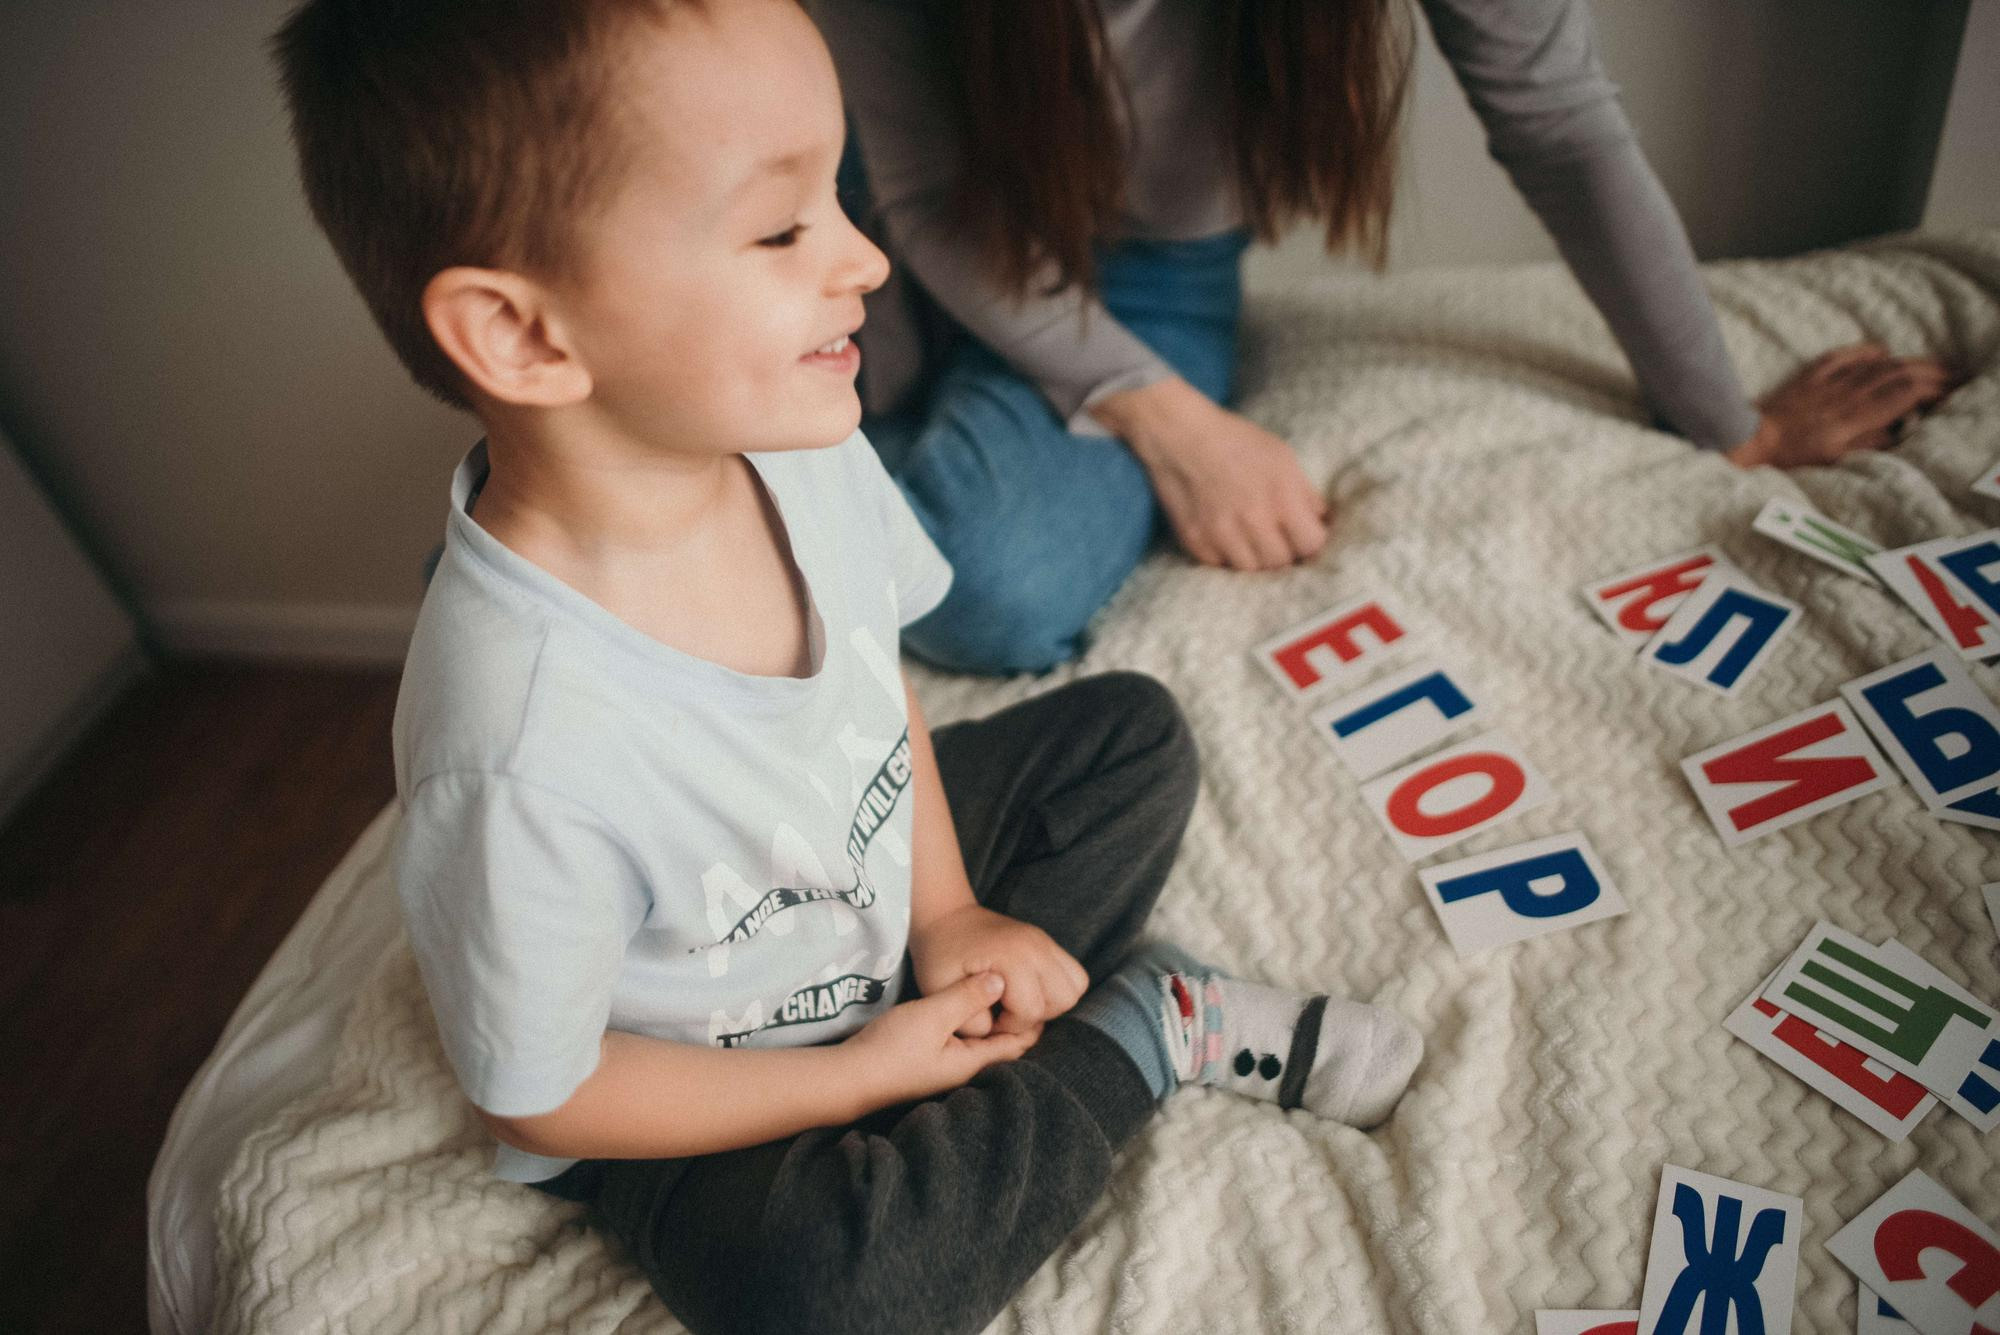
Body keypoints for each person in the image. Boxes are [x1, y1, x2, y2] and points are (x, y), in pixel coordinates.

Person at [271, 3, 1424, 1333]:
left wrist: (948, 916)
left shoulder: (808, 446)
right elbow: (542, 1088)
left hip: (863, 900)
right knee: (831, 1292)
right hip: (695, 1083)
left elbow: (878, 707)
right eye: (783, 229)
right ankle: (1147, 1028)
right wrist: (856, 1079)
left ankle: (984, 1063)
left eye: (840, 193)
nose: (869, 256)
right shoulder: (519, 743)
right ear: (526, 336)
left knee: (1131, 739)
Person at [813, 0, 1960, 675]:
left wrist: (1729, 425)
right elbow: (927, 200)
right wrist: (1164, 417)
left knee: (986, 586)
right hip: (886, 186)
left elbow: (1559, 126)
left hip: (1134, 261)